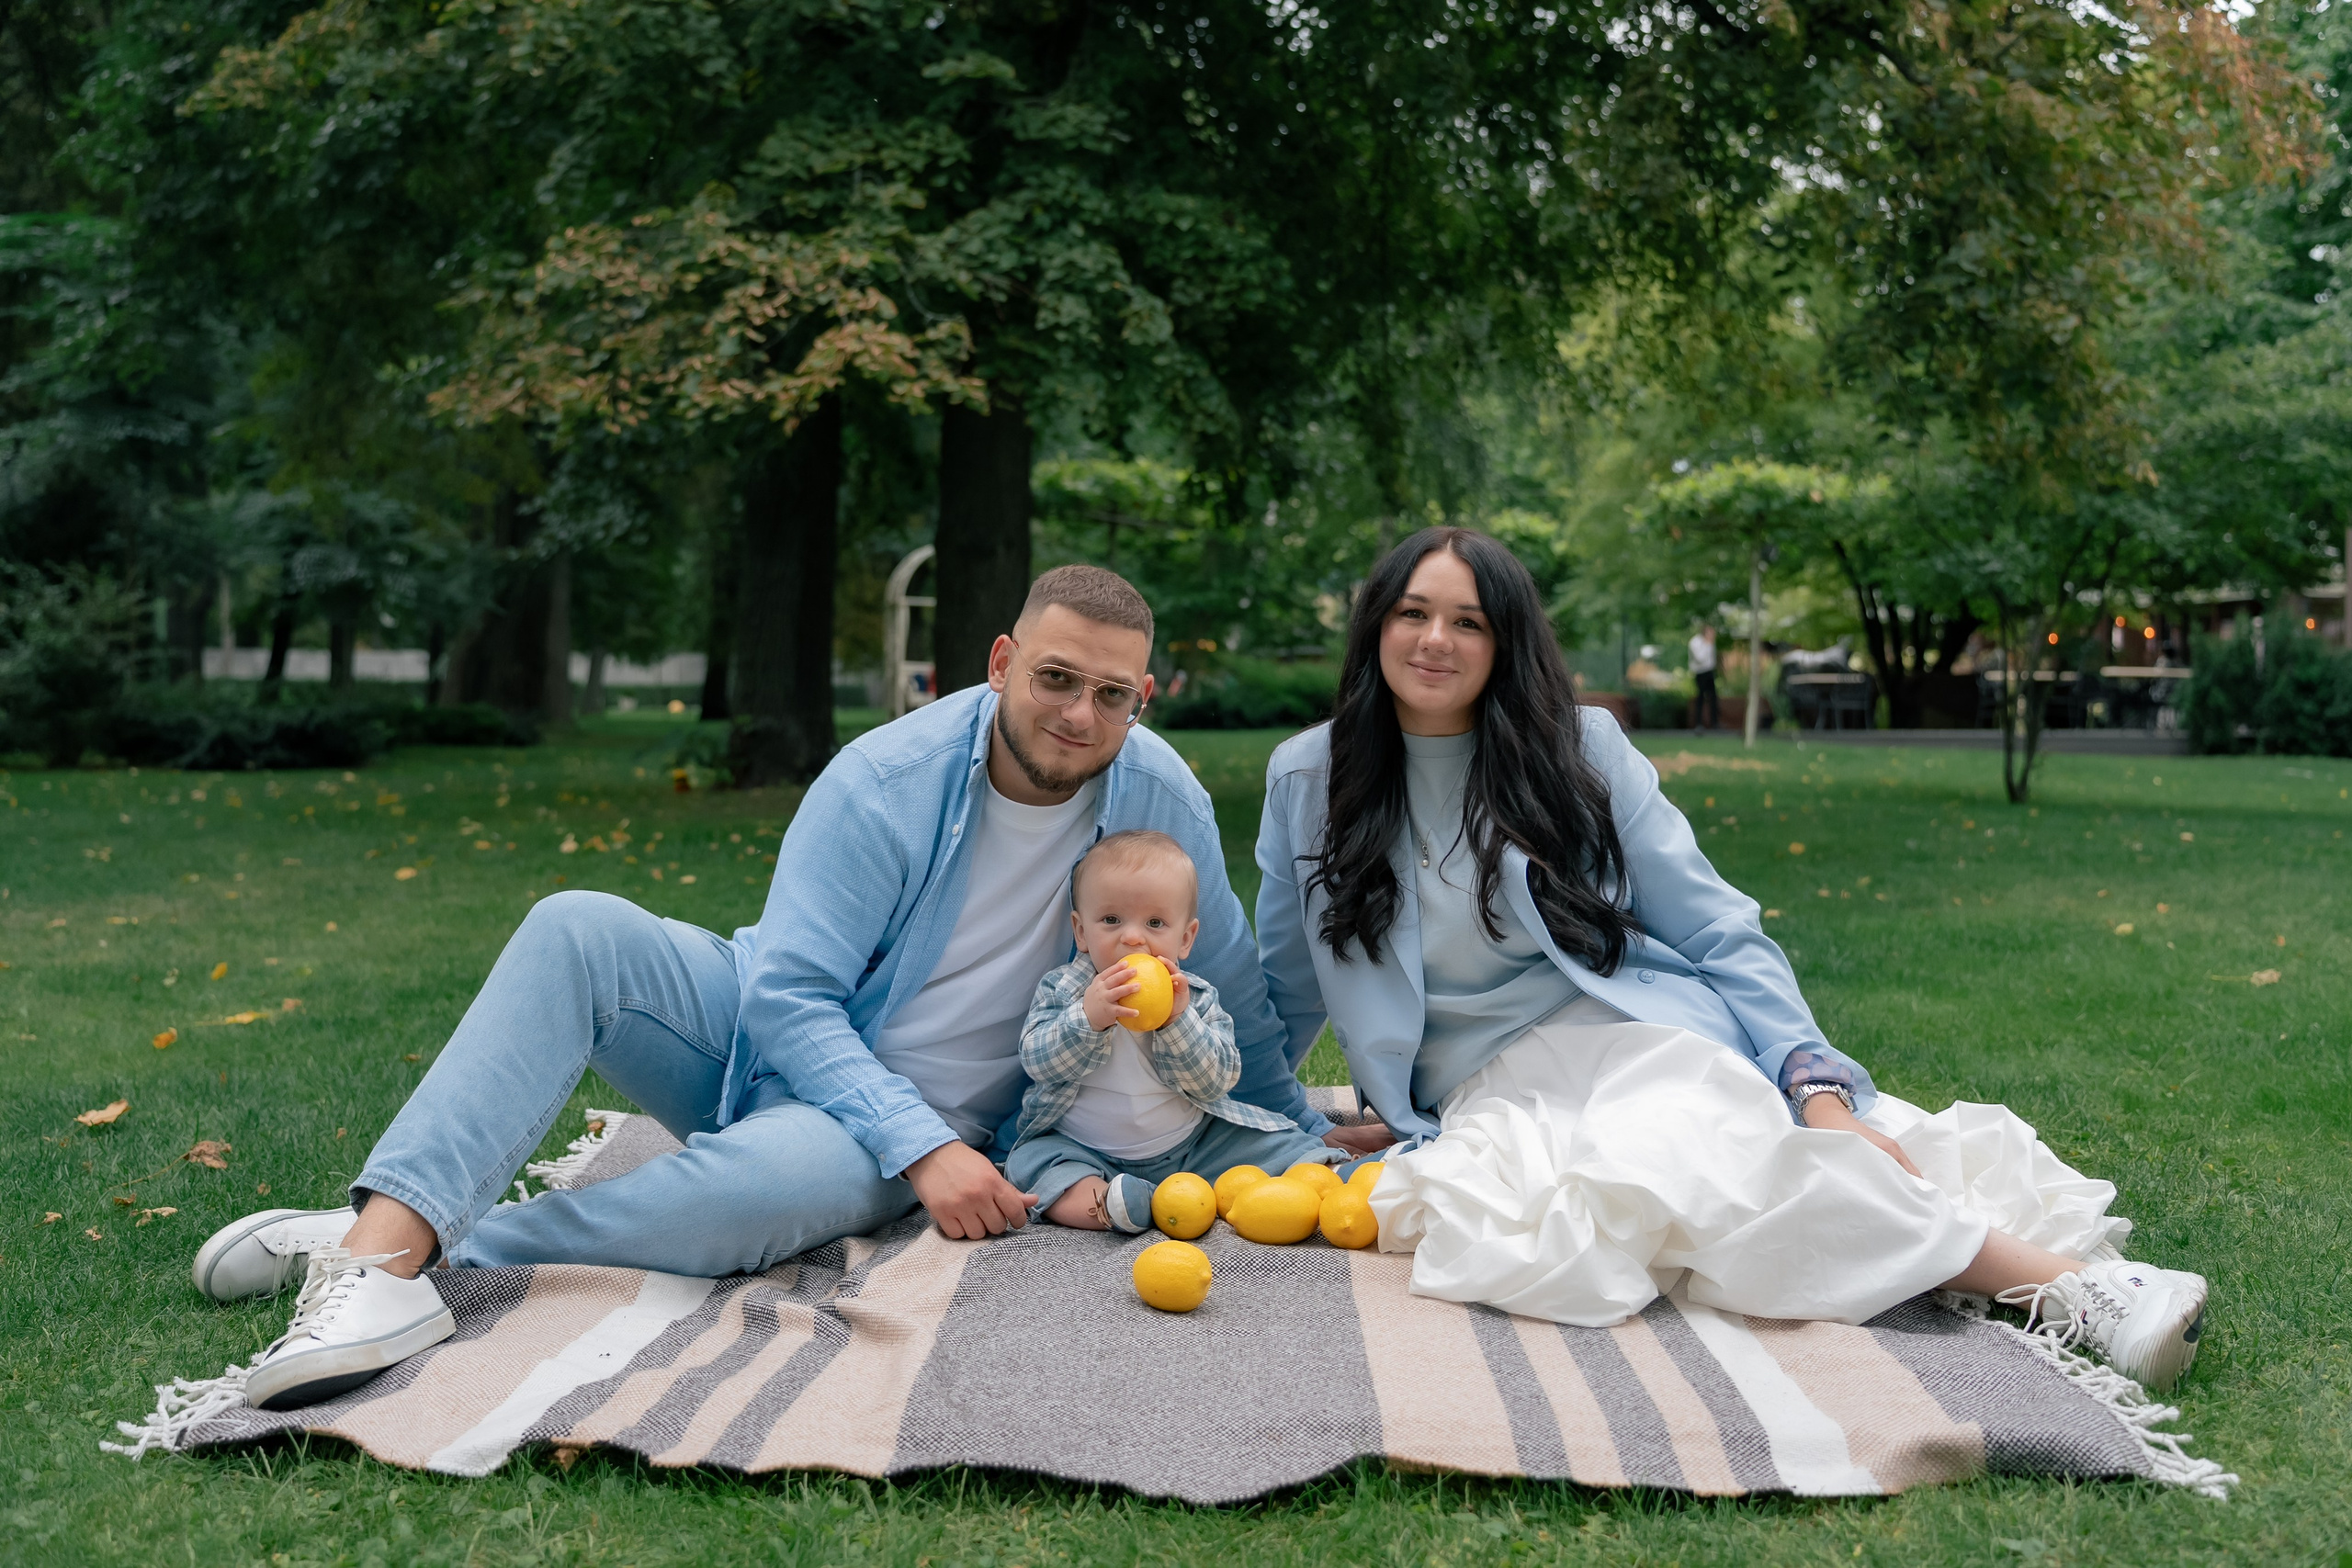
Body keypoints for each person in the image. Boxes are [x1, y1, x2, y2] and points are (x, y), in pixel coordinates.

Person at [191, 565, 1390, 1411]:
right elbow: (789, 1001)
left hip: (864, 1124)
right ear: (1001, 660)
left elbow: (1217, 977)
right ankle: (387, 1248)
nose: (1082, 716)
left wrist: (1297, 1126)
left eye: (1114, 694)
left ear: (1144, 696)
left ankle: (395, 1250)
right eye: (1058, 680)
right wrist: (923, 1149)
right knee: (576, 927)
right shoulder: (887, 775)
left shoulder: (1158, 792)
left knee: (754, 1193)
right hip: (761, 1029)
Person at [1250, 526, 2208, 1390]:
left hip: (1626, 1037)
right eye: (1413, 613)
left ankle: (2079, 1292)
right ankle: (2049, 1283)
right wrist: (1275, 1128)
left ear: (1503, 644)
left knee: (1712, 1166)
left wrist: (1815, 1086)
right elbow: (1285, 984)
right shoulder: (1308, 776)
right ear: (1376, 625)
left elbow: (1714, 925)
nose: (1434, 641)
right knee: (1661, 1210)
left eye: (1467, 621)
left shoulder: (1578, 750)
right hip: (1488, 1098)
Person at [1003, 829, 1342, 1232]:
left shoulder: (1197, 999)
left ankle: (1332, 1178)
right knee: (1031, 1164)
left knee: (1281, 1146)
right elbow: (1038, 1061)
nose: (1132, 937)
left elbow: (1217, 1080)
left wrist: (1176, 1022)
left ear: (1185, 939)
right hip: (1084, 1146)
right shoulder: (1062, 990)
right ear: (1081, 931)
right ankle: (1114, 1204)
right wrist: (1088, 1017)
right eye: (1111, 920)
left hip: (1192, 1145)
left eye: (1155, 922)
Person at [1688, 623, 1720, 732]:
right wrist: (1707, 645)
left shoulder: (1710, 643)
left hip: (1709, 671)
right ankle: (1698, 724)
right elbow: (1700, 658)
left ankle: (1714, 723)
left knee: (1713, 697)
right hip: (1700, 672)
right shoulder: (1695, 642)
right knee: (1700, 698)